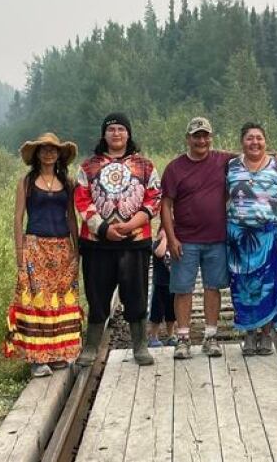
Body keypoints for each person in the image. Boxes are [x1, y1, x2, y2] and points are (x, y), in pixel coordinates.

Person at [74, 113, 161, 366]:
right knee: (97, 293)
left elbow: (154, 197)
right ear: (104, 134)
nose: (116, 133)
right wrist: (102, 229)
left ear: (128, 134)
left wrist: (134, 223)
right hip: (97, 243)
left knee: (136, 293)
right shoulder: (88, 167)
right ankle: (91, 345)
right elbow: (81, 199)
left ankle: (140, 345)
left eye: (121, 129)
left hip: (135, 241)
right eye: (111, 129)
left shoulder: (145, 166)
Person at [4, 133, 82, 378]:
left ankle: (58, 352)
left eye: (53, 150)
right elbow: (18, 217)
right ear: (37, 154)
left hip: (62, 247)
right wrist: (20, 251)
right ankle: (37, 358)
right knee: (36, 298)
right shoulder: (26, 182)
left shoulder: (67, 183)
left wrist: (77, 248)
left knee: (60, 297)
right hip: (35, 245)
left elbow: (71, 216)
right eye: (44, 149)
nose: (49, 153)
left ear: (59, 154)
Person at [161, 117, 234, 360]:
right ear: (188, 138)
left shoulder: (222, 160)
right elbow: (166, 205)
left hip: (216, 238)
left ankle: (210, 337)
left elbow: (252, 153)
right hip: (186, 239)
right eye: (196, 136)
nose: (201, 140)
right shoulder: (174, 168)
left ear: (211, 137)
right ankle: (183, 338)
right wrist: (171, 238)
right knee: (183, 289)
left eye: (205, 136)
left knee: (213, 288)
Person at [226, 122, 277, 356]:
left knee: (268, 287)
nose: (254, 142)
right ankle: (248, 333)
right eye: (249, 138)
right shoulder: (231, 167)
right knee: (242, 287)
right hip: (239, 239)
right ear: (241, 142)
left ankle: (266, 335)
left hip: (269, 237)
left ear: (266, 141)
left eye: (259, 138)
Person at [148, 227, 177, 347]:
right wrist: (164, 238)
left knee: (171, 313)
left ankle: (171, 335)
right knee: (156, 313)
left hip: (173, 285)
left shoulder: (175, 245)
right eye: (163, 230)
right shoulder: (156, 244)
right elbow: (159, 253)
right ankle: (153, 337)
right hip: (159, 284)